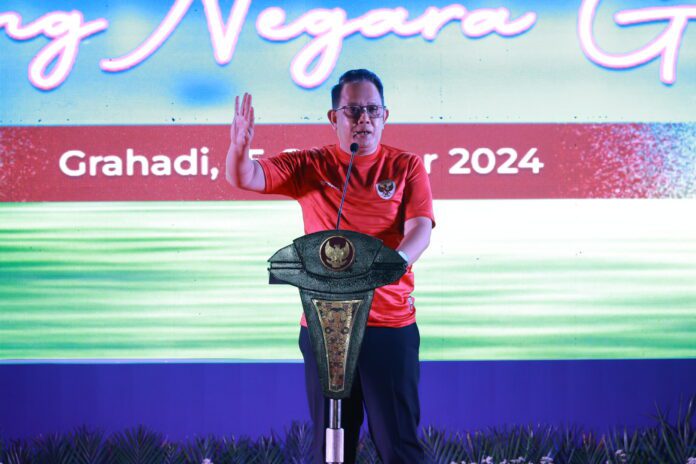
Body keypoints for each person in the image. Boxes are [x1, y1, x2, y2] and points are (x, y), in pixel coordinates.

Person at [226, 69, 435, 464]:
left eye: (373, 110)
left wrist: (395, 263)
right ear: (333, 117)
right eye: (353, 111)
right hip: (325, 327)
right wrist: (239, 148)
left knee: (399, 446)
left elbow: (420, 229)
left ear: (385, 115)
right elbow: (245, 176)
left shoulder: (406, 166)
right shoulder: (311, 165)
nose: (364, 119)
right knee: (330, 448)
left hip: (388, 325)